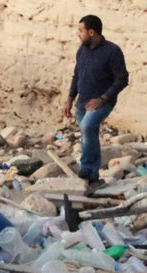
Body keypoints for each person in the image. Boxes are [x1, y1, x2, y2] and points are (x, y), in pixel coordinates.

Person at [62, 15, 129, 189]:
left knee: (87, 127)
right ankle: (93, 177)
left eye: (81, 30)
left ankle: (87, 168)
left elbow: (122, 79)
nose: (78, 34)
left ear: (91, 32)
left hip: (102, 102)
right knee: (88, 134)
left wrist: (102, 99)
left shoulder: (112, 51)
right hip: (82, 101)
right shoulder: (82, 50)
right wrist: (70, 99)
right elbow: (77, 76)